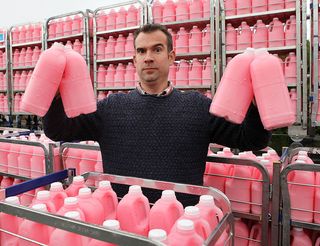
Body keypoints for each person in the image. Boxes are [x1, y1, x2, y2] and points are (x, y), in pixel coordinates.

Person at [43, 23, 270, 206]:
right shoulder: (110, 108)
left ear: (171, 57)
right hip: (123, 222)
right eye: (141, 51)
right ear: (134, 60)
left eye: (157, 49)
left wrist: (255, 104)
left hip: (183, 221)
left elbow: (251, 139)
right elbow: (58, 130)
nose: (148, 57)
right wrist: (53, 95)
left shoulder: (198, 108)